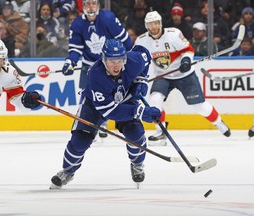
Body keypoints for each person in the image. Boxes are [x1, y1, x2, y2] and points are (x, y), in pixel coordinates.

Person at [50, 39, 161, 189]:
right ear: (103, 59)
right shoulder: (96, 74)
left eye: (119, 60)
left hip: (125, 99)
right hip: (94, 105)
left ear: (125, 58)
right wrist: (140, 112)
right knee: (80, 141)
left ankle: (137, 163)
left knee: (135, 133)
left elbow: (144, 54)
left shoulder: (133, 61)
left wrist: (142, 80)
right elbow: (109, 110)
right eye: (111, 61)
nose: (116, 65)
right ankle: (68, 171)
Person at [134, 11, 231, 146]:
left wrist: (185, 60)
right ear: (146, 26)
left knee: (199, 107)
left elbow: (188, 49)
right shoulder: (142, 41)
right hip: (163, 76)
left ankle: (218, 122)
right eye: (151, 24)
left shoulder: (173, 34)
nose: (154, 27)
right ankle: (161, 132)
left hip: (184, 75)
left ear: (160, 23)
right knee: (154, 100)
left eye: (156, 23)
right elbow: (136, 61)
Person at [61, 0, 132, 138]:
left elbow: (125, 40)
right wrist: (71, 61)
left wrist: (130, 58)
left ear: (98, 6)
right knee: (85, 96)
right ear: (83, 7)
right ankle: (88, 125)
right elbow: (76, 48)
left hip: (109, 65)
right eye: (88, 4)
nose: (91, 7)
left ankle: (103, 122)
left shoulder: (108, 18)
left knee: (108, 94)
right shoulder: (77, 24)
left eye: (94, 3)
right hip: (89, 66)